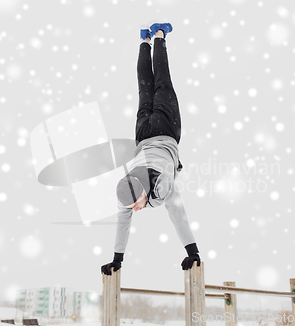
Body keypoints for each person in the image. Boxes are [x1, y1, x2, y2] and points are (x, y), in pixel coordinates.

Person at [101, 22, 201, 276]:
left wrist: (193, 251)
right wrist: (117, 259)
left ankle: (160, 34)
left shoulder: (161, 185)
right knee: (145, 88)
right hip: (142, 134)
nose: (135, 209)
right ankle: (144, 41)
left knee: (162, 82)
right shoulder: (126, 188)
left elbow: (177, 212)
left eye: (136, 204)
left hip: (166, 129)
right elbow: (122, 223)